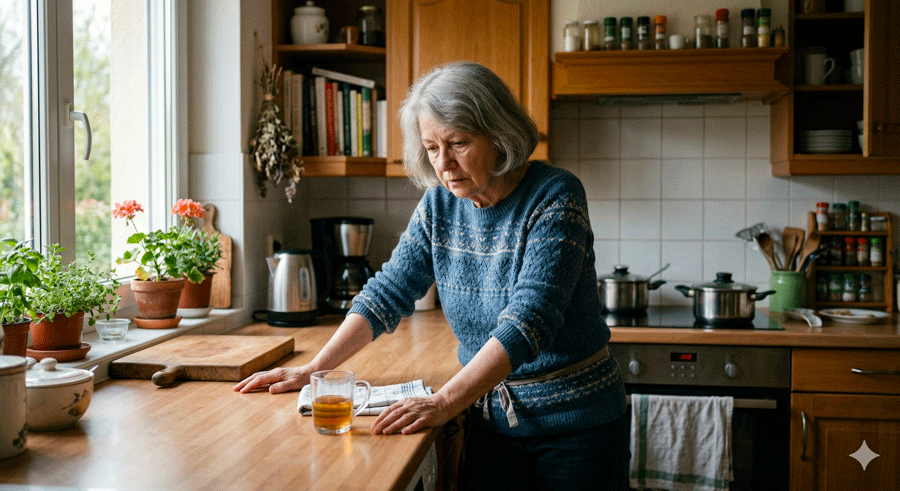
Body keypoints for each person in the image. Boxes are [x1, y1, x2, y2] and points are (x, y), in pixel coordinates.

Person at [234, 61, 629, 491]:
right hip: (493, 420)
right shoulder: (440, 205)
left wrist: (443, 402)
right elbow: (388, 292)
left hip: (577, 427)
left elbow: (528, 323)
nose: (444, 163)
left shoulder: (555, 195)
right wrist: (315, 369)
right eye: (432, 147)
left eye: (458, 143)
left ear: (498, 135)